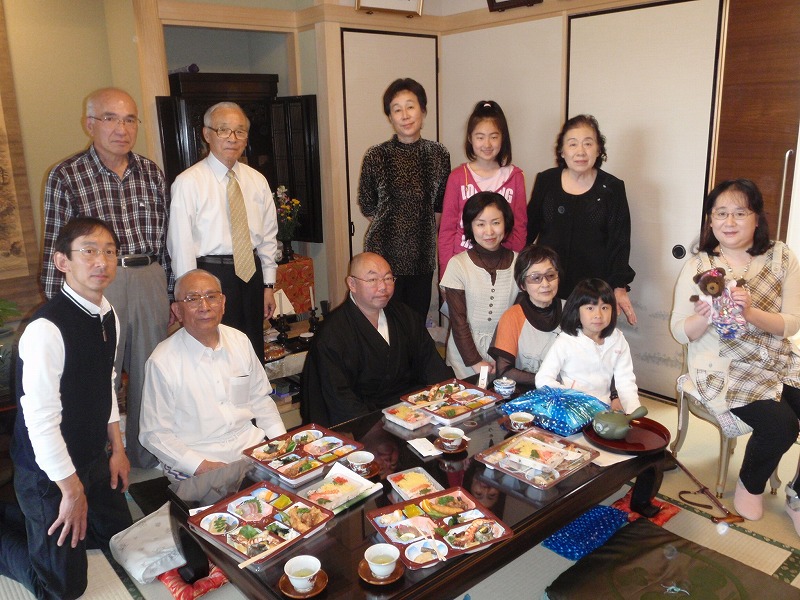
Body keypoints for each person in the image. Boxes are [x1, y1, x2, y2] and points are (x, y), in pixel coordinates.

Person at [1, 217, 132, 599]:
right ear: (63, 262)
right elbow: (40, 423)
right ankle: (31, 517)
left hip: (92, 457)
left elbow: (105, 383)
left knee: (120, 540)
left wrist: (118, 449)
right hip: (48, 473)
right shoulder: (46, 329)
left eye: (109, 251)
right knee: (61, 590)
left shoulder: (107, 313)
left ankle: (30, 520)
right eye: (89, 251)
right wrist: (71, 491)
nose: (101, 261)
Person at [41, 87, 169, 469]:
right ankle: (101, 458)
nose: (121, 129)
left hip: (149, 276)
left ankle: (147, 455)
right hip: (98, 283)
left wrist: (171, 291)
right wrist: (58, 308)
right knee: (100, 373)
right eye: (110, 118)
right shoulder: (67, 175)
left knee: (152, 371)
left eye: (129, 120)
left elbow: (166, 238)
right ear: (90, 124)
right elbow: (55, 244)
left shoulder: (151, 172)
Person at [669, 179, 800, 529]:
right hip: (724, 366)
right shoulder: (699, 266)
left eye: (740, 213)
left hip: (777, 358)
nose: (729, 222)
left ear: (757, 218)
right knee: (782, 424)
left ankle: (798, 494)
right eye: (721, 213)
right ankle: (750, 484)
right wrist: (704, 317)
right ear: (710, 221)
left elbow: (792, 323)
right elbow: (679, 330)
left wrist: (751, 313)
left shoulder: (782, 256)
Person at [140, 269, 286, 482]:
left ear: (223, 303)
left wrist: (282, 442)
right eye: (193, 299)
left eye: (211, 296)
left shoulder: (239, 341)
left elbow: (260, 399)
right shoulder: (162, 361)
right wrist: (202, 467)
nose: (205, 306)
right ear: (177, 311)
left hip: (251, 449)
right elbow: (154, 433)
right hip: (198, 459)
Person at [168, 101, 278, 361]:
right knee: (215, 348)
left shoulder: (257, 180)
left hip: (251, 275)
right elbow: (181, 244)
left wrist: (268, 285)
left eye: (240, 131)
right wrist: (190, 297)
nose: (232, 138)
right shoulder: (188, 182)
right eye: (223, 130)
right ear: (207, 134)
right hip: (210, 275)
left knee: (251, 348)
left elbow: (268, 237)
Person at [301, 252, 453, 426]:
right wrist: (377, 426)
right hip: (365, 421)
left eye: (388, 278)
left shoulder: (405, 316)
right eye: (372, 280)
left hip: (413, 412)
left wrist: (447, 400)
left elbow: (432, 366)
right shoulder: (333, 333)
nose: (383, 287)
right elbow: (338, 398)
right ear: (352, 284)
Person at [526, 114, 637, 326]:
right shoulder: (546, 181)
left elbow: (620, 242)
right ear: (562, 150)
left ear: (598, 149)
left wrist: (619, 286)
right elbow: (527, 231)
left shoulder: (612, 188)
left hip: (592, 293)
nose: (580, 151)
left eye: (588, 143)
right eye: (572, 144)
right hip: (546, 287)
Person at [358, 78, 451, 321]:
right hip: (383, 257)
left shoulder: (438, 154)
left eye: (410, 106)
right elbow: (367, 205)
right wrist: (396, 228)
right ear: (390, 117)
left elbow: (440, 205)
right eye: (397, 109)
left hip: (422, 256)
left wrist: (418, 232)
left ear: (423, 110)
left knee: (415, 323)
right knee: (384, 323)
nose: (405, 115)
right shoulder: (376, 155)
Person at [438, 100, 527, 277]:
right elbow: (447, 230)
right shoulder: (457, 177)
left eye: (493, 137)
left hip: (503, 266)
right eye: (480, 137)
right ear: (470, 138)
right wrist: (446, 275)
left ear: (503, 138)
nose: (487, 144)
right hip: (463, 266)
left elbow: (519, 228)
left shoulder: (515, 177)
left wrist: (514, 269)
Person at [440, 192, 518, 379]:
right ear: (470, 226)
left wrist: (503, 358)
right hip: (464, 356)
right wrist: (475, 362)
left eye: (496, 222)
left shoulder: (519, 263)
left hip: (505, 354)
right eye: (480, 224)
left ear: (506, 223)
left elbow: (518, 319)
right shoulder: (458, 264)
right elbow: (458, 321)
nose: (489, 231)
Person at [536, 278, 640, 413]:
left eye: (604, 308)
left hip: (604, 410)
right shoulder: (566, 341)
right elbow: (543, 379)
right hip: (572, 409)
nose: (598, 315)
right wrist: (571, 397)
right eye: (590, 308)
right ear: (577, 310)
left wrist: (634, 413)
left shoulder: (618, 339)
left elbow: (626, 381)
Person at [489, 244, 562, 386]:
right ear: (522, 285)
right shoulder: (512, 317)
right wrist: (548, 382)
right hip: (526, 393)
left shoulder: (572, 311)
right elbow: (504, 372)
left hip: (569, 393)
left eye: (550, 275)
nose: (545, 284)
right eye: (536, 278)